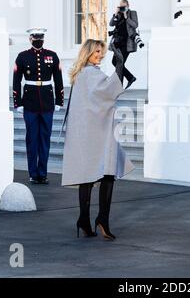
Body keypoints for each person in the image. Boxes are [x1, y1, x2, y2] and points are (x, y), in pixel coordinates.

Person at [62, 40, 134, 240]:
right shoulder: (90, 74)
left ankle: (84, 220)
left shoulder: (81, 75)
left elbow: (103, 94)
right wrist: (120, 65)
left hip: (87, 132)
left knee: (89, 176)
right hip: (96, 132)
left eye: (101, 52)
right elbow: (108, 92)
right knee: (107, 174)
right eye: (96, 52)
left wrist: (119, 66)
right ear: (87, 53)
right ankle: (101, 219)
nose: (100, 55)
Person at [13, 28, 64, 185]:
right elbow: (16, 80)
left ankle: (43, 173)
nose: (38, 39)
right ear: (30, 38)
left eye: (40, 37)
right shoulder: (22, 56)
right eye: (35, 37)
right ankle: (33, 173)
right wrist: (18, 102)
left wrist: (59, 101)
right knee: (32, 139)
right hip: (30, 102)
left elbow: (58, 79)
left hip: (47, 101)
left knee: (44, 139)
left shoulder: (52, 55)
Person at [109, 0, 139, 89]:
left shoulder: (132, 13)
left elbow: (135, 25)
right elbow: (111, 24)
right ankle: (130, 78)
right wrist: (115, 13)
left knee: (119, 63)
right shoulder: (118, 14)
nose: (122, 8)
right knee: (115, 62)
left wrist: (126, 17)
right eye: (121, 6)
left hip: (127, 44)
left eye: (124, 7)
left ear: (128, 6)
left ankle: (119, 86)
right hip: (117, 43)